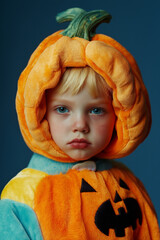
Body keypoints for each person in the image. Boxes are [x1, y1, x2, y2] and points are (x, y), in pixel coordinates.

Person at [0, 7, 159, 240]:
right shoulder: (23, 195)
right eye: (62, 109)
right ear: (42, 115)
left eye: (96, 110)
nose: (80, 125)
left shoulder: (127, 184)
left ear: (118, 115)